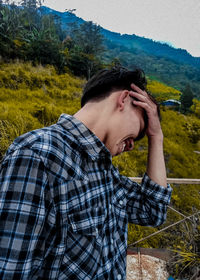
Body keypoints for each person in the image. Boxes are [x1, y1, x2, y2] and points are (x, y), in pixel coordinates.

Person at [0, 67, 172, 280]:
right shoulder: (38, 155)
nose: (131, 146)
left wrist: (156, 136)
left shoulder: (105, 170)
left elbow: (153, 210)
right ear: (125, 99)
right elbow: (11, 270)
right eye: (137, 132)